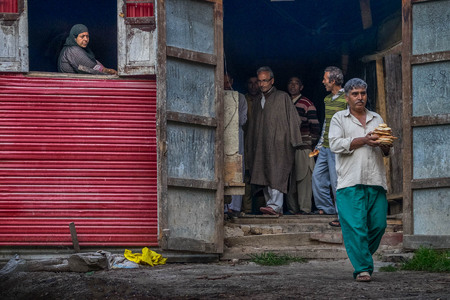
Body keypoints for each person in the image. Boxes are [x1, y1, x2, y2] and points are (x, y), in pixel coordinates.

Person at [329, 78, 392, 282]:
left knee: (378, 225)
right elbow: (335, 145)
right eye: (355, 94)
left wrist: (384, 145)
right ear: (347, 97)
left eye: (363, 93)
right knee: (356, 228)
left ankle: (361, 254)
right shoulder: (339, 118)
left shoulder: (376, 118)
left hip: (375, 180)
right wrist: (364, 140)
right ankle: (363, 268)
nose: (360, 97)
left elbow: (387, 150)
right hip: (350, 182)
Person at [247, 66, 303, 216]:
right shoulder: (258, 100)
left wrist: (293, 140)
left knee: (277, 172)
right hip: (262, 144)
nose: (262, 84)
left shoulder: (282, 97)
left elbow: (294, 120)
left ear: (272, 80)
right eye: (259, 81)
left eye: (265, 81)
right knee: (263, 172)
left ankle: (275, 206)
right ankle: (271, 206)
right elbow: (254, 125)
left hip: (280, 144)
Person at [312, 66, 347, 224]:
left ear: (333, 81)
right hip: (325, 146)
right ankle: (327, 209)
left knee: (337, 182)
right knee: (317, 177)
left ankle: (342, 216)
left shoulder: (346, 98)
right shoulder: (327, 100)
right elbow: (326, 123)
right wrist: (319, 145)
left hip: (337, 147)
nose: (323, 82)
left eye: (325, 79)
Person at [286, 76, 320, 214]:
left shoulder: (307, 103)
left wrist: (308, 142)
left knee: (304, 179)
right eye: (290, 83)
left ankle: (305, 210)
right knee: (289, 181)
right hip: (287, 149)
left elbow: (316, 127)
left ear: (301, 87)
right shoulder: (285, 102)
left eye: (296, 83)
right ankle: (292, 209)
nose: (293, 86)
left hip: (303, 148)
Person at [224, 73, 248, 217]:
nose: (226, 84)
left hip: (236, 134)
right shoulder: (215, 92)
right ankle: (224, 207)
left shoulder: (240, 97)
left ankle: (235, 207)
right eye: (224, 81)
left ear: (232, 81)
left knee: (236, 167)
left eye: (228, 81)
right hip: (220, 135)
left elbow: (243, 120)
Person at [242, 76, 262, 214]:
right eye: (250, 83)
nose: (254, 86)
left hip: (262, 142)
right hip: (245, 141)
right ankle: (247, 209)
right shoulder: (242, 99)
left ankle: (262, 209)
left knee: (262, 175)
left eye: (257, 83)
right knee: (246, 175)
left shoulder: (266, 99)